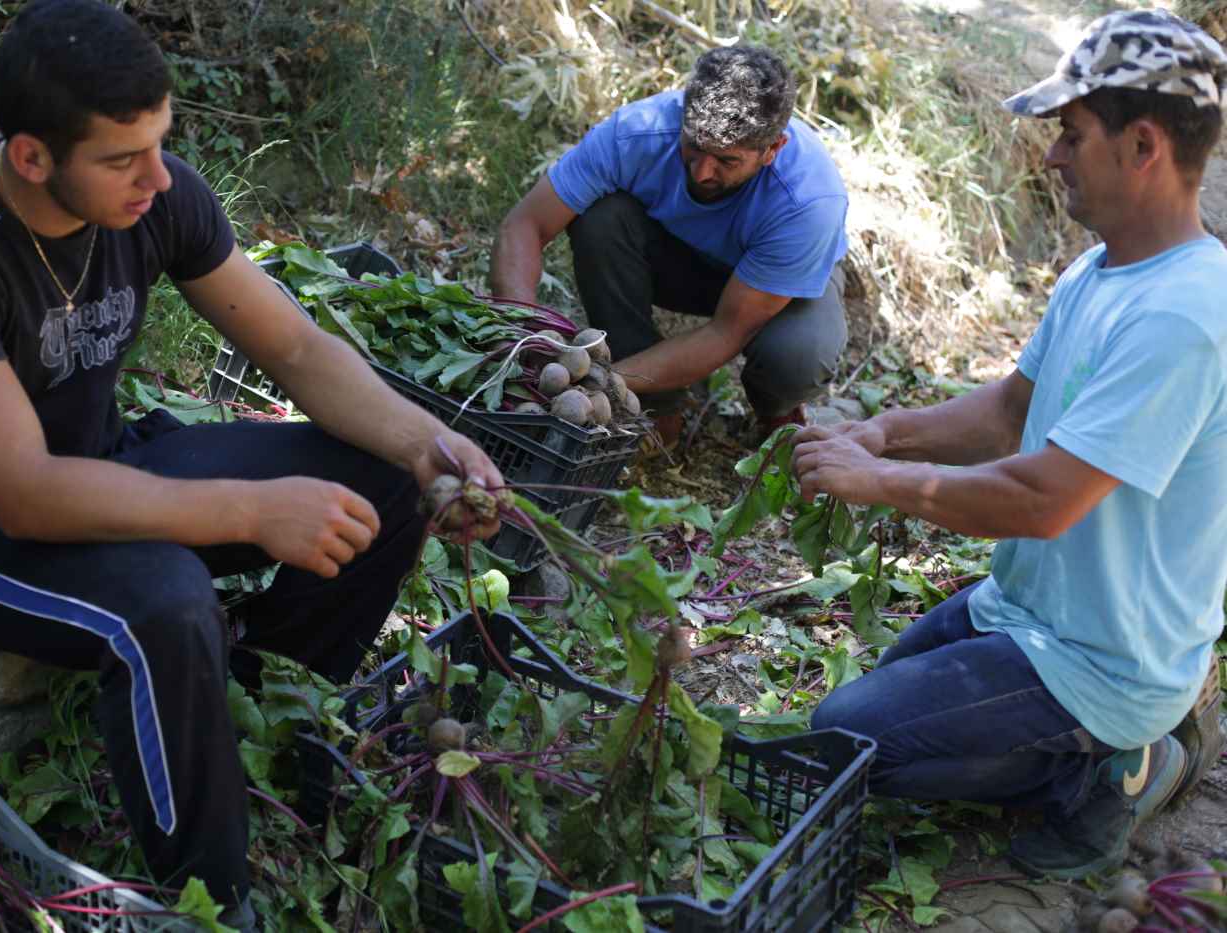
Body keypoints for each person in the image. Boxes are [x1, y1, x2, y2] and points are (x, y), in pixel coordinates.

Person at [0, 0, 504, 925]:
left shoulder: (155, 192)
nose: (157, 178)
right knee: (163, 601)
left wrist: (429, 445)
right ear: (33, 157)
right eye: (123, 158)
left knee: (385, 476)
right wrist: (249, 510)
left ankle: (255, 713)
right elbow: (24, 494)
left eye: (161, 143)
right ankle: (209, 895)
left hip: (106, 460)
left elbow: (300, 352)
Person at [792, 9, 1227, 880]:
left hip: (1099, 661)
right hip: (1028, 616)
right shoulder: (1101, 268)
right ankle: (1118, 739)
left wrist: (879, 477)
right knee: (857, 718)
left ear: (1142, 146)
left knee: (842, 741)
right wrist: (883, 429)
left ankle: (1117, 767)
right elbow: (1008, 410)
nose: (1054, 155)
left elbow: (1045, 500)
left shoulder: (1185, 315)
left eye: (1071, 134)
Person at [489, 45, 849, 449]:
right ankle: (658, 405)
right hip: (678, 258)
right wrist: (523, 336)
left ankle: (776, 408)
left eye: (726, 162)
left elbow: (726, 330)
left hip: (772, 286)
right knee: (599, 220)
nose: (702, 172)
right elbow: (524, 225)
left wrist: (604, 384)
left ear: (772, 150)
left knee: (798, 355)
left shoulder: (808, 201)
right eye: (693, 148)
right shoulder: (637, 132)